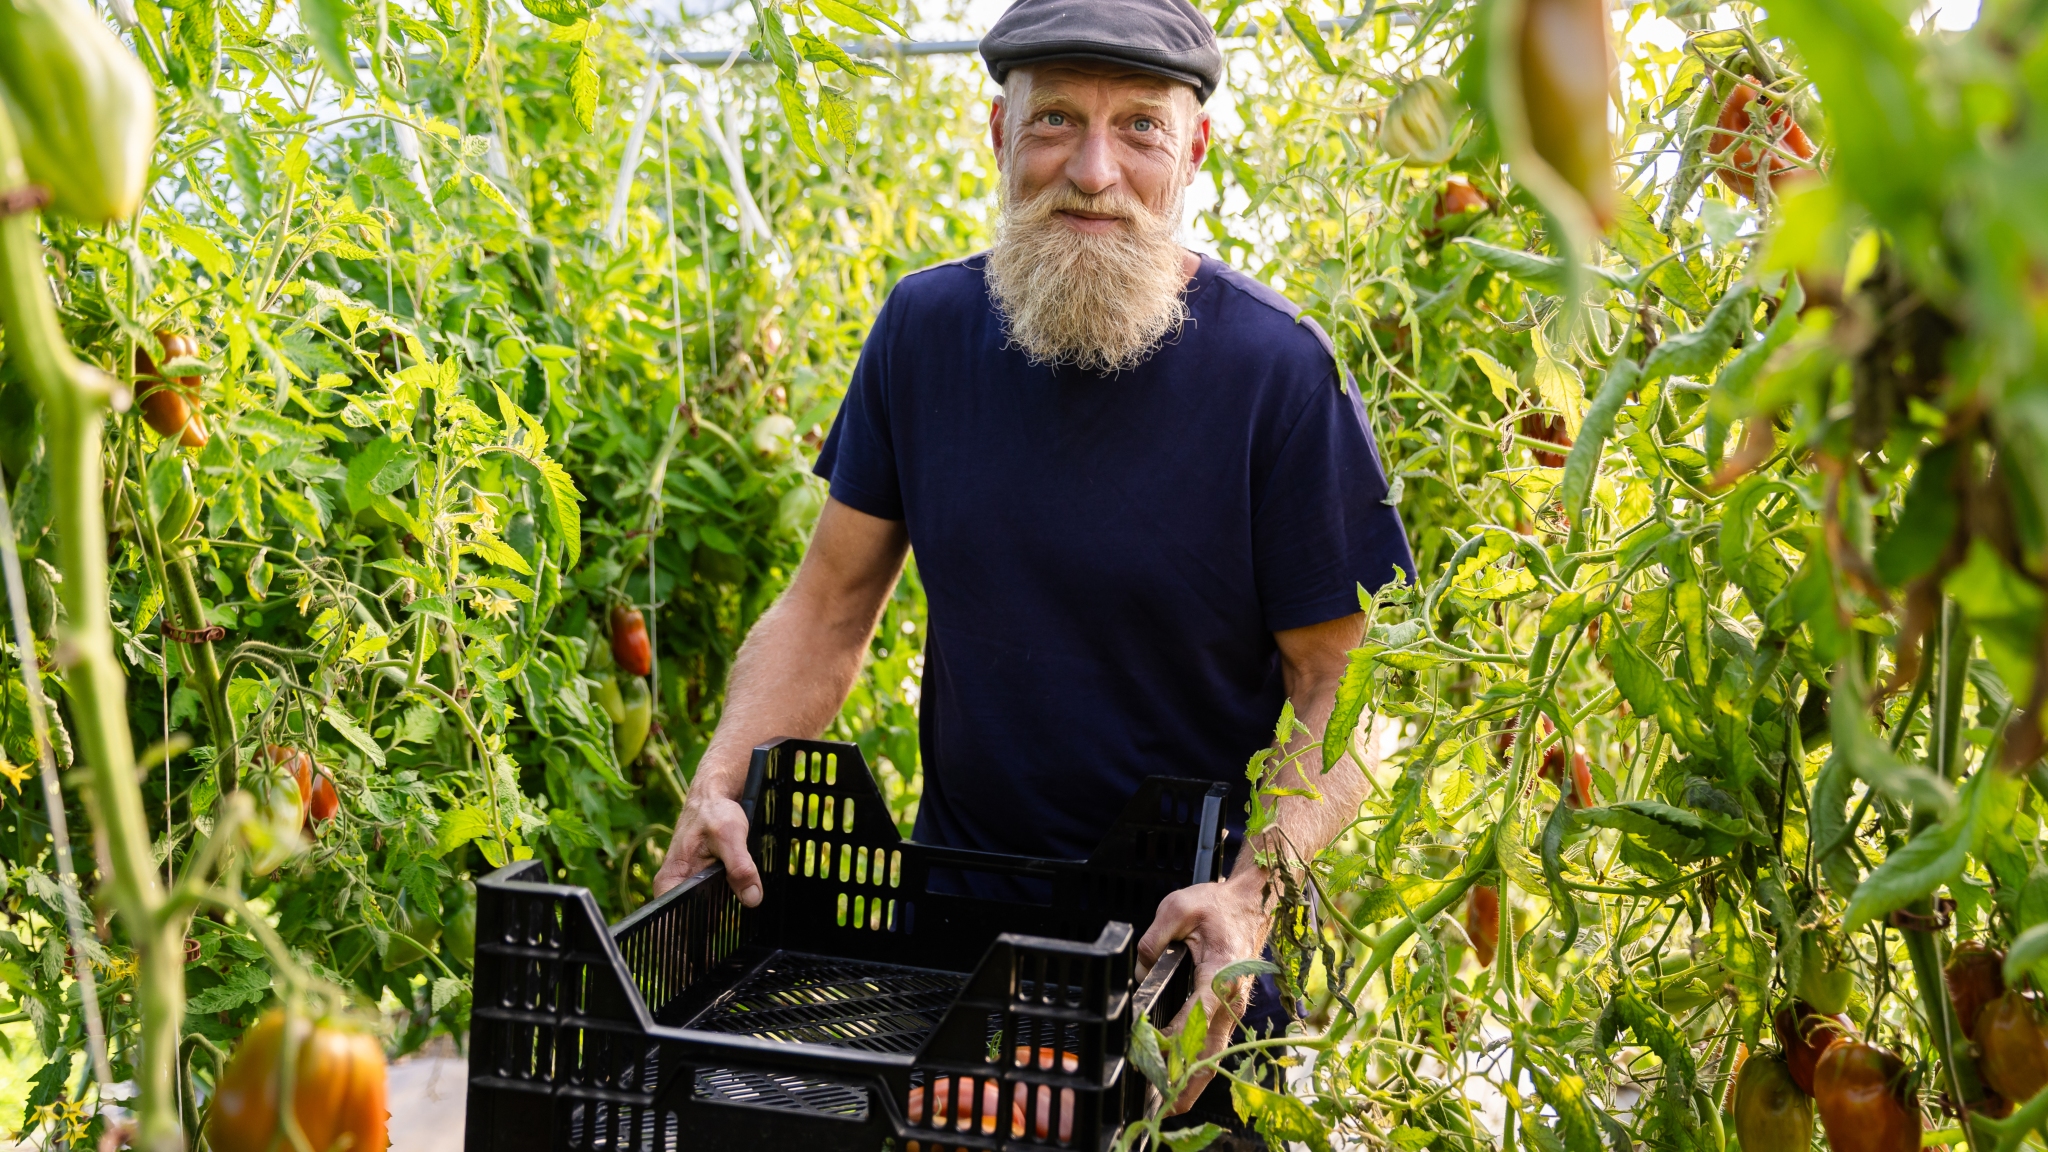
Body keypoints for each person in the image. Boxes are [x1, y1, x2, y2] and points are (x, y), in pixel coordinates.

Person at [652, 0, 1414, 1141]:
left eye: (1139, 128)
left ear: (1193, 149)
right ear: (996, 136)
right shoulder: (925, 331)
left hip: (1182, 957)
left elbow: (1347, 685)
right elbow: (827, 605)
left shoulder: (1275, 374)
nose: (1093, 171)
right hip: (957, 949)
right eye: (1054, 119)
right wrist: (719, 781)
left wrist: (1250, 893)